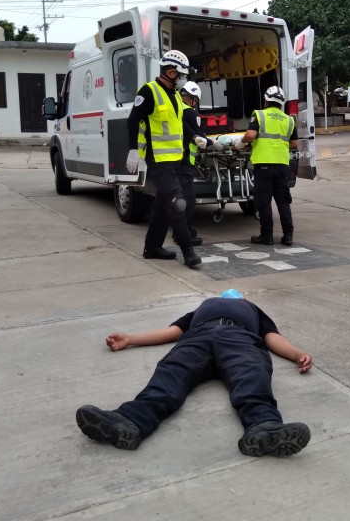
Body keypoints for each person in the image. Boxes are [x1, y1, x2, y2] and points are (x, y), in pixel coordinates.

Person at [76, 289, 312, 457]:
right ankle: (130, 420)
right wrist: (130, 339)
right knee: (171, 374)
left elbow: (272, 337)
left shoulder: (252, 308)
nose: (230, 296)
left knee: (251, 374)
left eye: (235, 295)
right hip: (197, 337)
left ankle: (264, 427)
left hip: (239, 338)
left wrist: (296, 354)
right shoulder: (202, 307)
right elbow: (172, 331)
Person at [126, 50, 201, 268]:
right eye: (180, 75)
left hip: (176, 159)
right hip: (158, 160)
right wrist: (132, 150)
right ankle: (188, 250)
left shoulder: (175, 95)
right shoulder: (149, 91)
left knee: (162, 204)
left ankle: (152, 247)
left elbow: (180, 124)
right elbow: (132, 122)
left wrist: (195, 136)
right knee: (177, 204)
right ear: (170, 72)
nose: (182, 80)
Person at [233, 86, 298, 246]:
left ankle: (267, 236)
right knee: (283, 201)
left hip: (264, 166)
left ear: (266, 100)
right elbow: (294, 143)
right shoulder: (289, 119)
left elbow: (250, 135)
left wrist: (239, 144)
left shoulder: (260, 115)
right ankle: (288, 235)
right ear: (282, 103)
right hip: (282, 165)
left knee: (264, 202)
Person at [172, 81, 220, 247]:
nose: (195, 105)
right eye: (196, 101)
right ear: (192, 99)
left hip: (172, 159)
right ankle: (184, 234)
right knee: (189, 201)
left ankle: (181, 232)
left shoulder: (174, 107)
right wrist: (214, 143)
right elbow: (199, 137)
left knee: (176, 199)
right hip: (184, 160)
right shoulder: (189, 112)